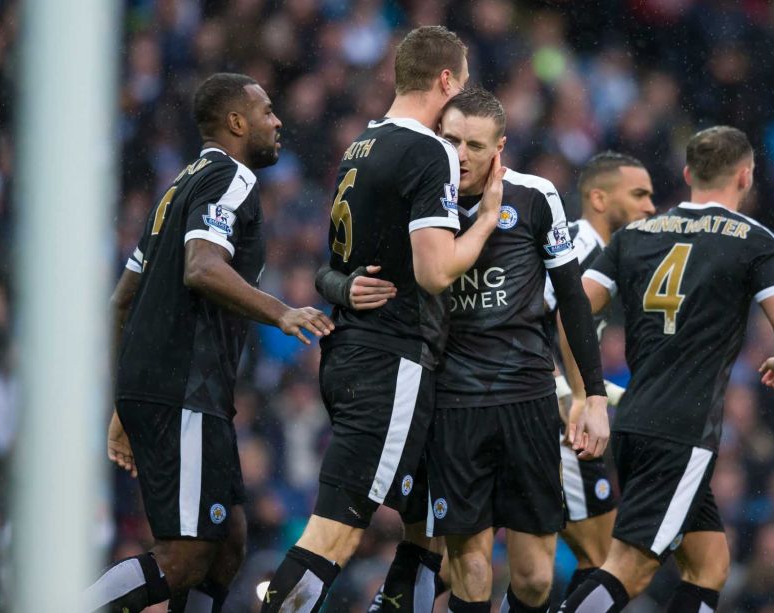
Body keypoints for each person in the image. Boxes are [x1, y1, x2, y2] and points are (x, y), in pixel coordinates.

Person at [319, 88, 609, 613]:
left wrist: (593, 396)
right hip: (454, 404)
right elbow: (333, 265)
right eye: (450, 140)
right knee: (470, 570)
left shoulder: (536, 196)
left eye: (475, 144)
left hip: (528, 400)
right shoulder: (417, 200)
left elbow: (572, 300)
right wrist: (344, 286)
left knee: (535, 578)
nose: (460, 154)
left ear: (500, 146)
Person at [259, 27, 508, 613]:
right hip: (390, 363)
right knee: (336, 533)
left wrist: (339, 284)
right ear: (445, 80)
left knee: (426, 525)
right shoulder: (428, 151)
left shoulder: (362, 145)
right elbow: (435, 270)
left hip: (353, 355)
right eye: (463, 83)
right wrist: (489, 218)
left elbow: (337, 261)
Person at [85, 73, 334, 613]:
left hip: (170, 389)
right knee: (186, 557)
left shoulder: (175, 190)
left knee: (229, 542)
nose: (278, 121)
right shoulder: (232, 178)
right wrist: (283, 311)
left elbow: (120, 303)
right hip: (183, 389)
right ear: (236, 122)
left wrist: (123, 403)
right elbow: (202, 268)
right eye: (267, 111)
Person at [558, 126, 774, 613]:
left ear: (689, 173)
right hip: (682, 430)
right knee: (628, 569)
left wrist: (585, 390)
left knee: (709, 565)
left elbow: (573, 312)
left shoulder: (635, 235)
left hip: (634, 420)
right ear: (746, 176)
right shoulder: (754, 242)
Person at [544, 151, 655, 597]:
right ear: (599, 198)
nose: (650, 206)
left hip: (544, 409)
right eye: (639, 194)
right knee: (606, 560)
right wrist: (569, 393)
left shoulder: (599, 251)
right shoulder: (580, 249)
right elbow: (533, 322)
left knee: (530, 566)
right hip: (551, 421)